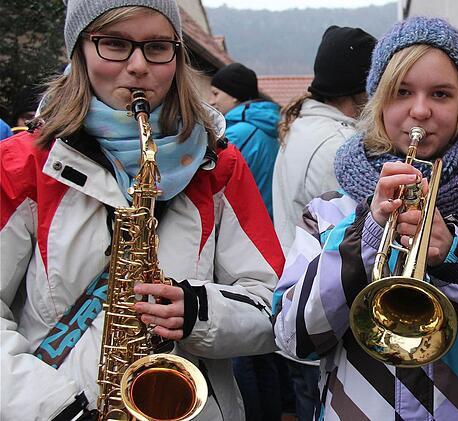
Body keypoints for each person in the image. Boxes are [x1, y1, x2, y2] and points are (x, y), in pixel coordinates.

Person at [0, 1, 284, 420]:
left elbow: (274, 303)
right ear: (79, 51)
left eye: (156, 47)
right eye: (114, 43)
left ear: (177, 55)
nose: (137, 66)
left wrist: (199, 312)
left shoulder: (220, 166)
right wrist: (53, 407)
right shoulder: (23, 164)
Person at [273, 16, 458, 420]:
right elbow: (294, 338)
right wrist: (366, 239)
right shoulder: (329, 212)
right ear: (378, 100)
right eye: (402, 92)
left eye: (441, 94)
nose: (420, 110)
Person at [272, 25, 376, 421]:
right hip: (318, 309)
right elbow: (352, 231)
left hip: (300, 296)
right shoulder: (337, 145)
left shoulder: (303, 128)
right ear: (361, 90)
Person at [210, 62, 280, 218]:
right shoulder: (263, 127)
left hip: (242, 223)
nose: (212, 101)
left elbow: (210, 183)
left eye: (215, 93)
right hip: (264, 219)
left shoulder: (239, 134)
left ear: (234, 95)